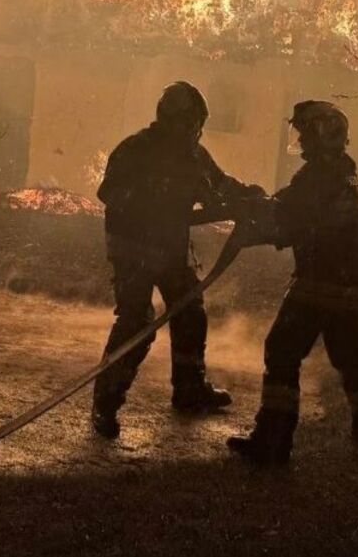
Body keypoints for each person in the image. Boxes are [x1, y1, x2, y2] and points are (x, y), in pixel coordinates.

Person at [90, 81, 261, 439]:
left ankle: (189, 389)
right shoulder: (135, 149)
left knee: (190, 312)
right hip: (133, 250)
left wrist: (250, 197)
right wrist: (152, 205)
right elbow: (109, 193)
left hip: (170, 248)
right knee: (136, 323)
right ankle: (105, 403)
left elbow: (219, 185)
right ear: (178, 120)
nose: (195, 131)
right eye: (192, 123)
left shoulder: (194, 156)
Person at [227, 99, 358, 464]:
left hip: (325, 284)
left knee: (282, 349)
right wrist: (261, 202)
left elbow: (289, 220)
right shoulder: (339, 173)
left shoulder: (320, 178)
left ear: (322, 135)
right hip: (353, 286)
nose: (300, 141)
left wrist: (253, 225)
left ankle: (273, 440)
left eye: (305, 134)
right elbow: (291, 206)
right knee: (351, 356)